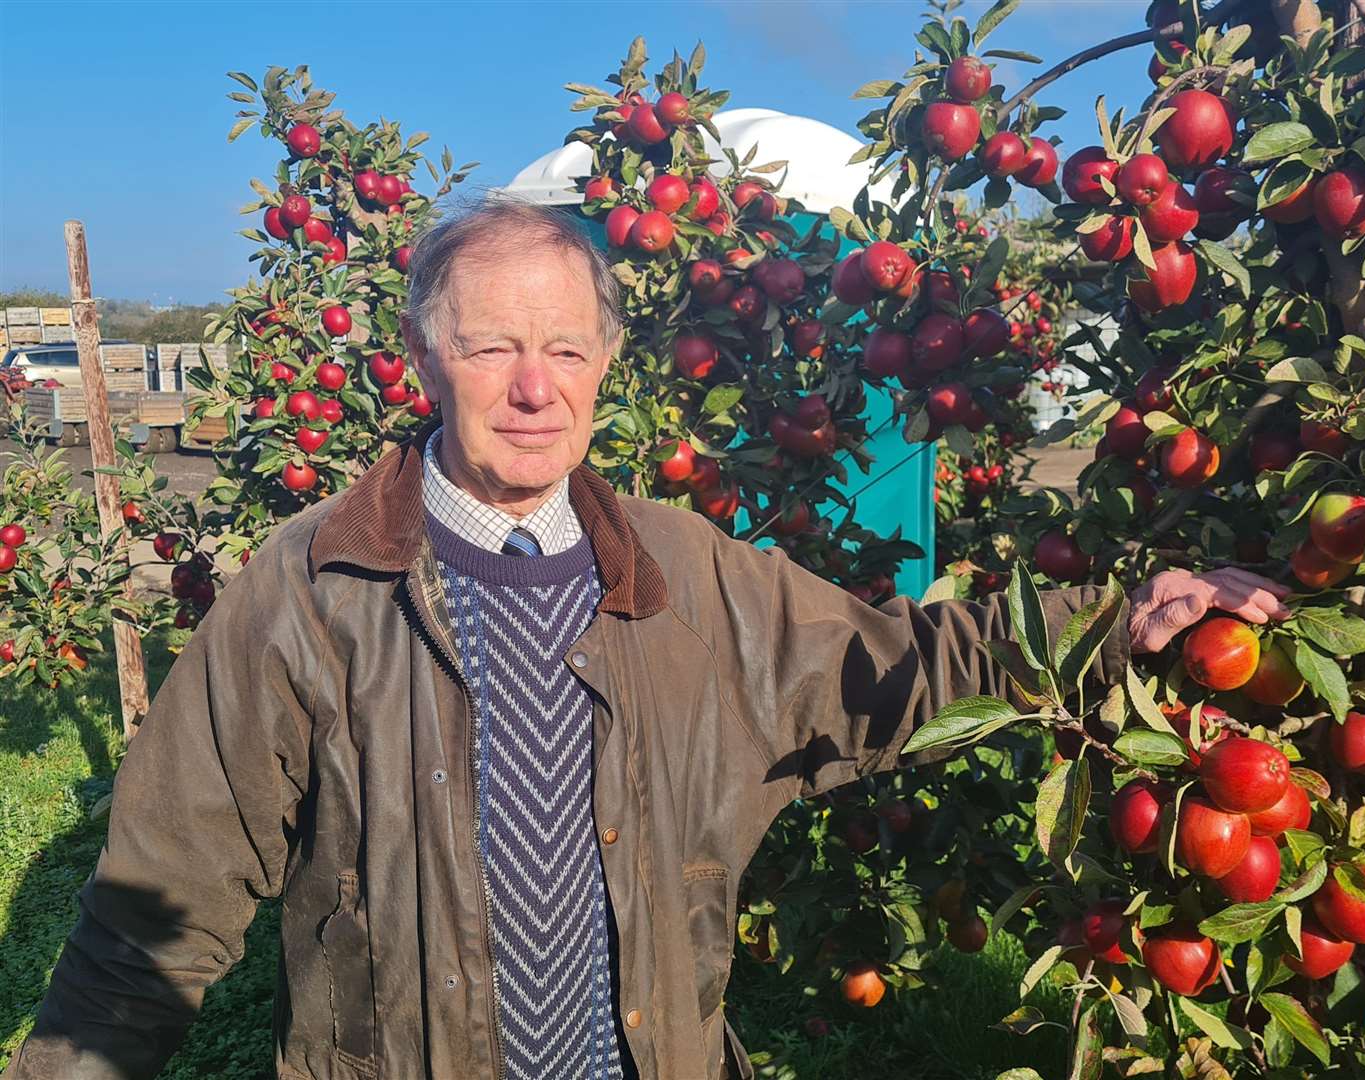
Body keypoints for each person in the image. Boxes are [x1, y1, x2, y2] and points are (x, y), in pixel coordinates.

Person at [8, 197, 1290, 1080]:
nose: (532, 386)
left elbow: (896, 669)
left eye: (565, 347)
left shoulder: (682, 573)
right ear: (422, 355)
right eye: (494, 344)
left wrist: (1120, 624)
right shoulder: (313, 589)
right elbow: (154, 915)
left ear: (605, 363)